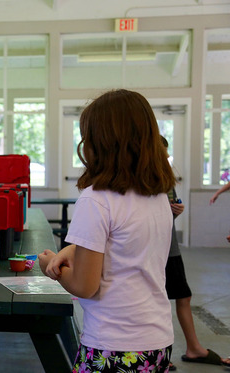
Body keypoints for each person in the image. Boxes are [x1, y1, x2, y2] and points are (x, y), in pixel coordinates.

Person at [38, 89, 176, 372]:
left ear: (99, 143)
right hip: (157, 340)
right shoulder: (157, 196)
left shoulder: (96, 199)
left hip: (113, 345)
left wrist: (49, 267)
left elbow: (85, 287)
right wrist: (69, 250)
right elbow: (125, 245)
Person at [160, 136, 222, 370]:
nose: (167, 157)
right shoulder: (145, 180)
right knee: (158, 300)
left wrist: (176, 212)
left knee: (183, 295)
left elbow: (167, 218)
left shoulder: (166, 179)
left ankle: (194, 348)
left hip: (171, 248)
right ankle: (159, 354)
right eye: (162, 152)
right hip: (156, 250)